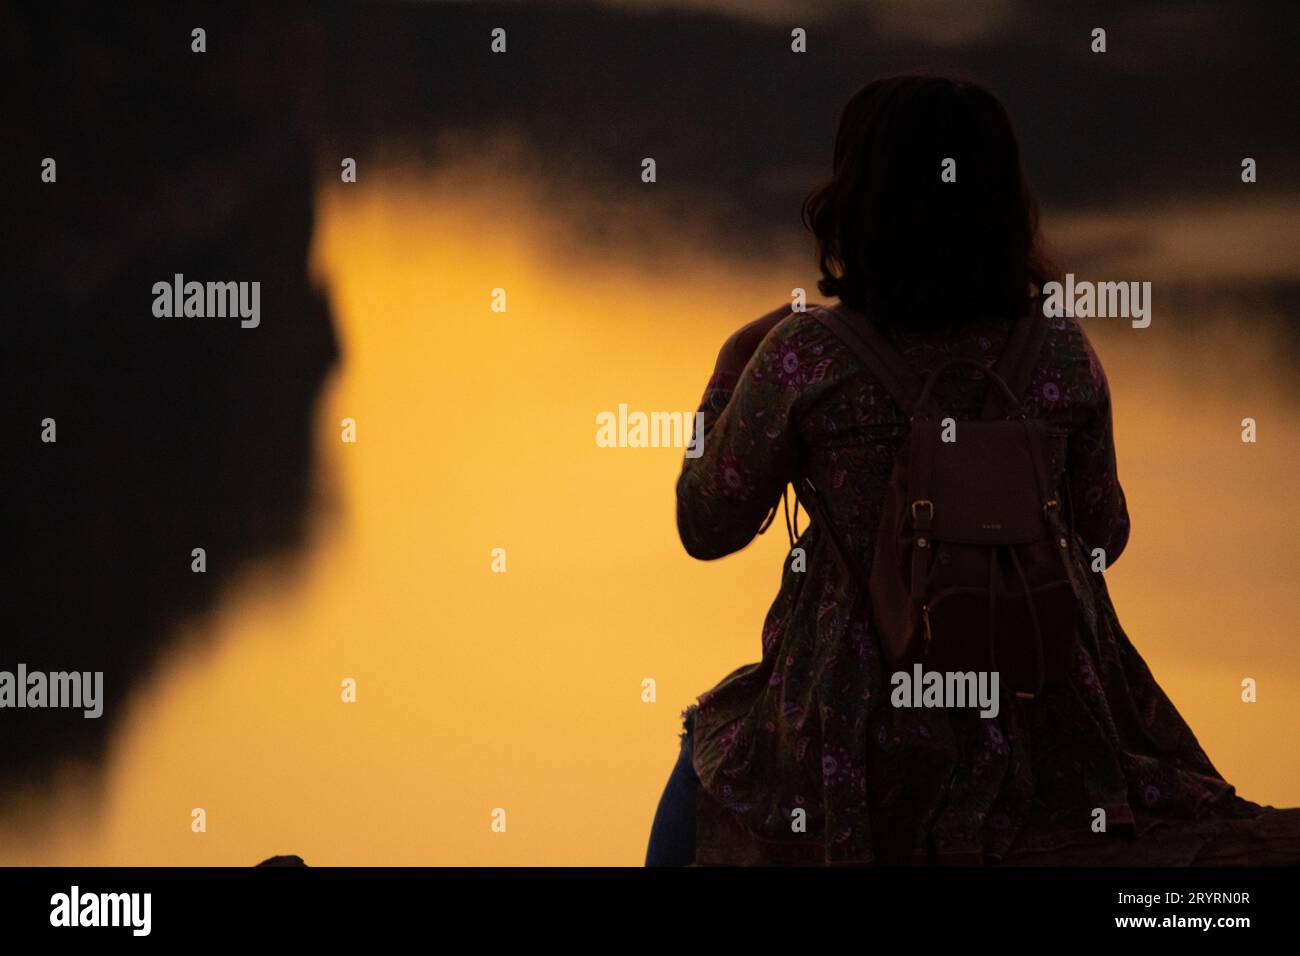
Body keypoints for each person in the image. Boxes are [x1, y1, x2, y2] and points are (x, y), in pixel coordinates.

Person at [648, 74, 1300, 866]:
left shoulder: (804, 355)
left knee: (704, 761)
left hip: (855, 715)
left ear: (858, 199)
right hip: (1045, 711)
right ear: (1002, 203)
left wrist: (727, 372)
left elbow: (704, 524)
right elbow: (1106, 534)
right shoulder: (1058, 353)